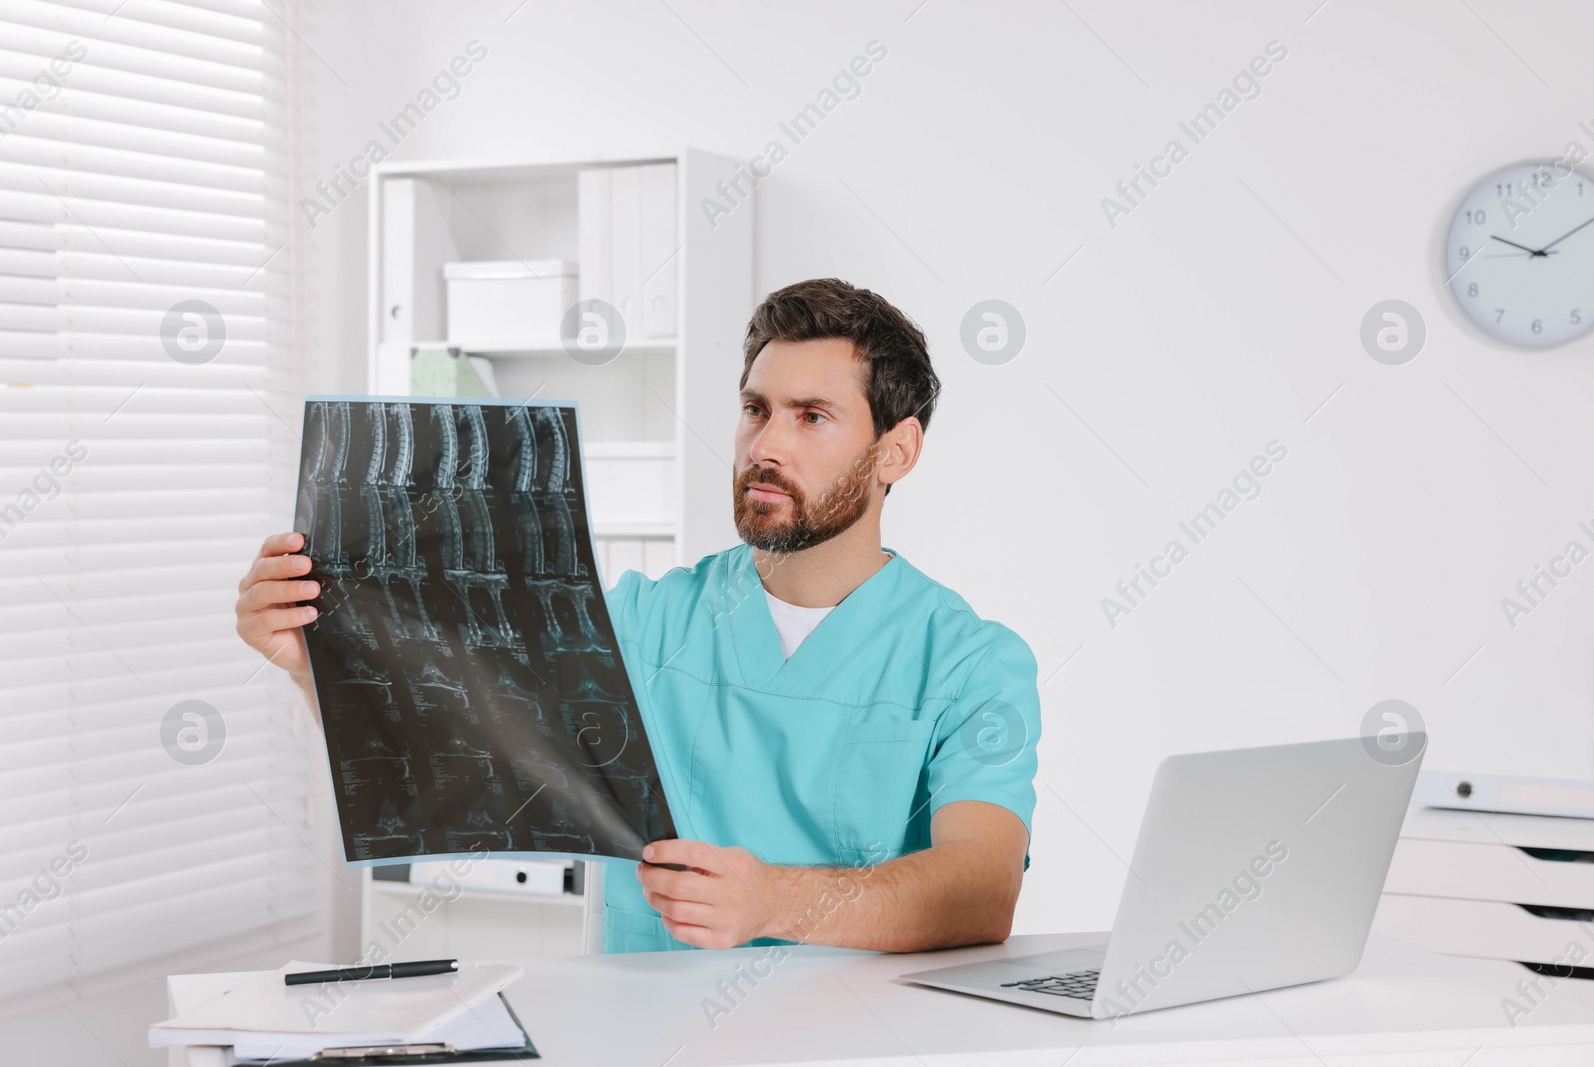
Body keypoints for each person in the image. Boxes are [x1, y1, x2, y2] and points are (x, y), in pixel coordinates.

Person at [236, 278, 1041, 954]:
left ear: (895, 451)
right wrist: (320, 663)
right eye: (756, 409)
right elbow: (455, 766)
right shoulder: (641, 621)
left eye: (812, 416)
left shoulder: (972, 664)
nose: (767, 444)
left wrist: (775, 902)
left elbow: (982, 886)